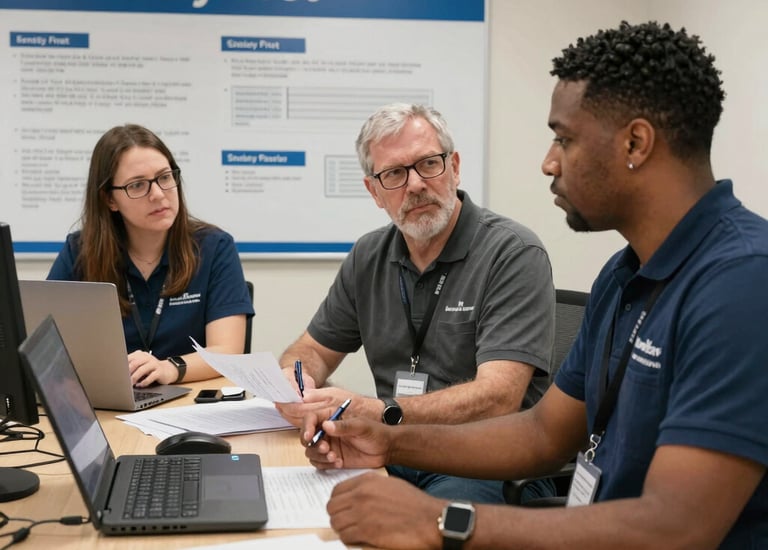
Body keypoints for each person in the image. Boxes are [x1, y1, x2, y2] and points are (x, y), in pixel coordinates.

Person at [299, 21, 768, 549]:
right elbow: (542, 434)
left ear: (636, 142)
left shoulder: (744, 282)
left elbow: (675, 527)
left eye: (564, 139)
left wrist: (438, 521)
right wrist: (386, 441)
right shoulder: (624, 275)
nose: (549, 161)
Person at [275, 103, 556, 504]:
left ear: (454, 167)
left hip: (484, 463)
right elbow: (312, 349)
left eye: (428, 164)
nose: (416, 184)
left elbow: (499, 398)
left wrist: (376, 411)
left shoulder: (513, 252)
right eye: (394, 174)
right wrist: (296, 379)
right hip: (390, 451)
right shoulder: (368, 255)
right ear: (374, 191)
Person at [48, 124, 254, 387]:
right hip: (110, 404)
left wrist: (170, 368)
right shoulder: (80, 252)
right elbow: (43, 347)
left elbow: (228, 351)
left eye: (165, 177)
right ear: (110, 200)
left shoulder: (214, 247)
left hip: (190, 403)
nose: (158, 194)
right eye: (137, 185)